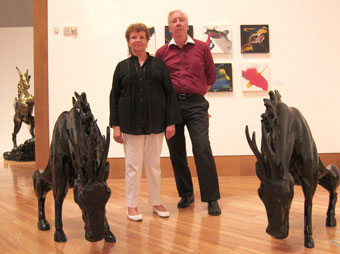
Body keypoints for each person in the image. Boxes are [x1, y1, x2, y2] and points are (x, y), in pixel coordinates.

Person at [110, 23, 181, 221]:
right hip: (130, 126)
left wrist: (170, 122)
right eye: (134, 37)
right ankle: (131, 205)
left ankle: (156, 202)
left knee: (154, 165)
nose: (138, 40)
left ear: (147, 40)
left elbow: (169, 94)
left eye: (141, 37)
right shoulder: (122, 67)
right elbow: (114, 96)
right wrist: (116, 126)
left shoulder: (159, 65)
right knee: (132, 166)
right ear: (128, 41)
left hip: (156, 124)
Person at [156, 10, 221, 216]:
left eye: (181, 20)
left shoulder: (202, 48)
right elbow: (160, 83)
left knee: (202, 148)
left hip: (196, 106)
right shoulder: (161, 53)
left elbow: (211, 78)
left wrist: (195, 95)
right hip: (172, 106)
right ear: (169, 27)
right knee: (177, 152)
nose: (178, 24)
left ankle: (211, 198)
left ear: (187, 24)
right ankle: (186, 194)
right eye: (173, 21)